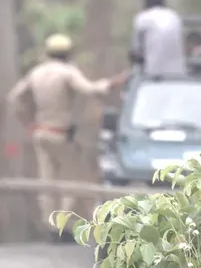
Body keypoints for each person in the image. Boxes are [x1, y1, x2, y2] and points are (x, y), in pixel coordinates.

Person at [7, 33, 129, 239]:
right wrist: (113, 82)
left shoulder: (36, 73)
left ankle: (50, 225)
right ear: (68, 53)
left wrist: (28, 122)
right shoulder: (67, 72)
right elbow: (89, 90)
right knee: (70, 180)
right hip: (59, 133)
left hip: (41, 133)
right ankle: (63, 225)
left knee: (46, 180)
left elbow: (14, 97)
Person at [130, 0, 186, 77]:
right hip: (178, 72)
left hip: (153, 73)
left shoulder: (142, 18)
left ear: (146, 2)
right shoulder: (174, 16)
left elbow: (136, 49)